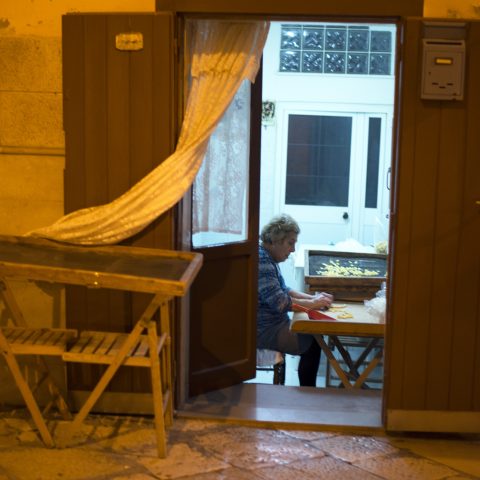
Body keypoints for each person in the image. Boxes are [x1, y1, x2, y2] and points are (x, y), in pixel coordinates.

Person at [257, 213, 333, 387]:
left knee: (313, 335)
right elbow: (281, 302)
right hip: (264, 330)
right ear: (275, 240)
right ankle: (308, 395)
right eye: (290, 243)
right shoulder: (262, 261)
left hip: (273, 324)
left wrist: (314, 298)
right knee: (313, 342)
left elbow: (285, 290)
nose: (292, 249)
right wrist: (314, 304)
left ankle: (308, 393)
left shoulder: (267, 257)